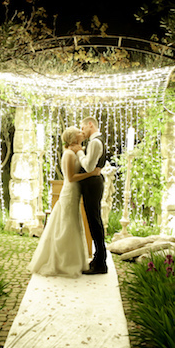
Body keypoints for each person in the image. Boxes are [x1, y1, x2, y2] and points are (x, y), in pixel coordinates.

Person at [28, 126, 101, 278]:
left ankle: (73, 261)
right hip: (69, 192)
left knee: (73, 224)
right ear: (73, 138)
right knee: (67, 225)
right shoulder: (68, 154)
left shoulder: (76, 152)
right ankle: (63, 262)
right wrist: (91, 173)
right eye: (79, 132)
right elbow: (70, 178)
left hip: (75, 193)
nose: (82, 133)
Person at [76, 116, 108, 274]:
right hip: (92, 183)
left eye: (82, 128)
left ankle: (101, 262)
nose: (82, 131)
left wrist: (80, 153)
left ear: (90, 125)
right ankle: (98, 258)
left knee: (95, 222)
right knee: (94, 221)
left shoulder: (95, 142)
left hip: (93, 184)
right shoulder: (96, 141)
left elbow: (89, 167)